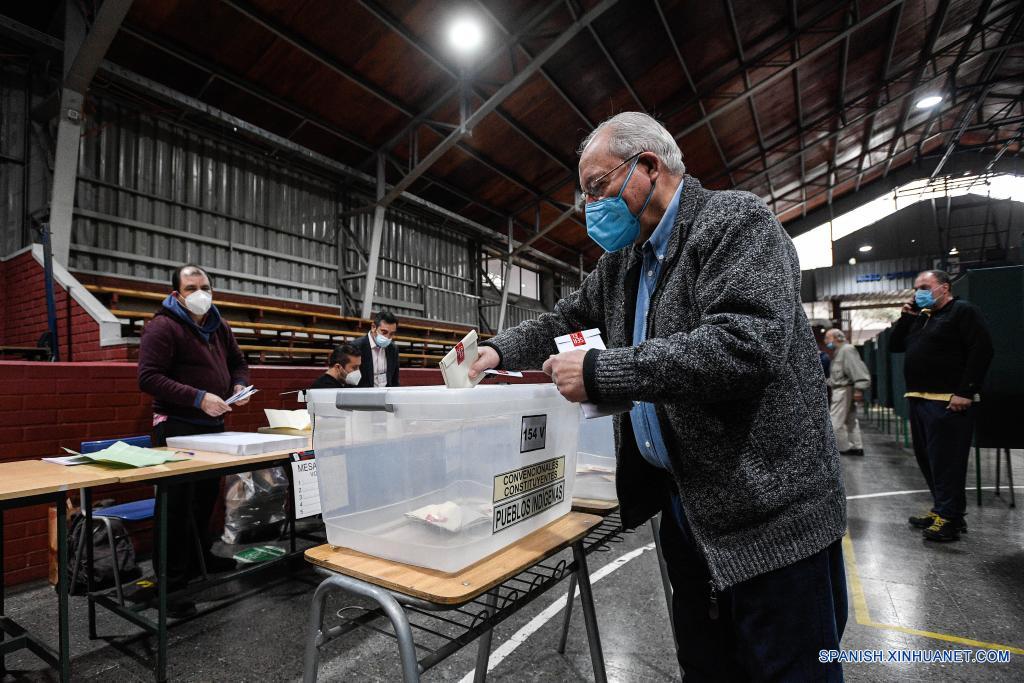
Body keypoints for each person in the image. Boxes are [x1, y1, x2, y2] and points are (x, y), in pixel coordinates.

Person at [470, 112, 847, 679]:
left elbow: (744, 346)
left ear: (648, 166)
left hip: (770, 514)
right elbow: (566, 317)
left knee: (789, 669)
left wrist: (601, 373)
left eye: (596, 187)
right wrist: (497, 351)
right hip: (687, 508)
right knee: (705, 665)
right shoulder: (624, 262)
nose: (589, 205)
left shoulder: (734, 223)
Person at [137, 264, 249, 617]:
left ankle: (202, 559)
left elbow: (238, 363)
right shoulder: (162, 327)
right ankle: (171, 583)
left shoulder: (217, 324)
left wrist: (238, 385)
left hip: (212, 426)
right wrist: (198, 397)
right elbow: (149, 378)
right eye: (191, 287)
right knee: (176, 506)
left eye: (205, 286)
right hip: (177, 427)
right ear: (176, 294)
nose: (200, 293)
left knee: (204, 499)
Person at [890, 270, 993, 542]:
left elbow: (981, 350)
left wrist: (965, 392)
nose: (918, 292)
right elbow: (895, 345)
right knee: (929, 462)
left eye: (924, 286)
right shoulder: (922, 318)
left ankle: (949, 518)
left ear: (944, 288)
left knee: (947, 463)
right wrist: (905, 318)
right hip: (919, 399)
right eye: (915, 288)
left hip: (948, 402)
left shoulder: (962, 312)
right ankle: (944, 510)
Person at [825, 328, 871, 456]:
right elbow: (838, 375)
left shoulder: (847, 350)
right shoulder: (840, 351)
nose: (826, 341)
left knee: (834, 419)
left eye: (827, 338)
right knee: (851, 420)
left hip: (844, 390)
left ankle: (828, 450)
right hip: (843, 388)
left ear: (835, 338)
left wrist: (859, 389)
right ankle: (856, 446)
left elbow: (857, 370)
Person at [351, 311, 400, 387]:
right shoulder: (356, 346)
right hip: (364, 395)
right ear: (373, 327)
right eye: (384, 332)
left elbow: (394, 380)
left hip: (386, 395)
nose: (387, 337)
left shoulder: (393, 349)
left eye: (391, 334)